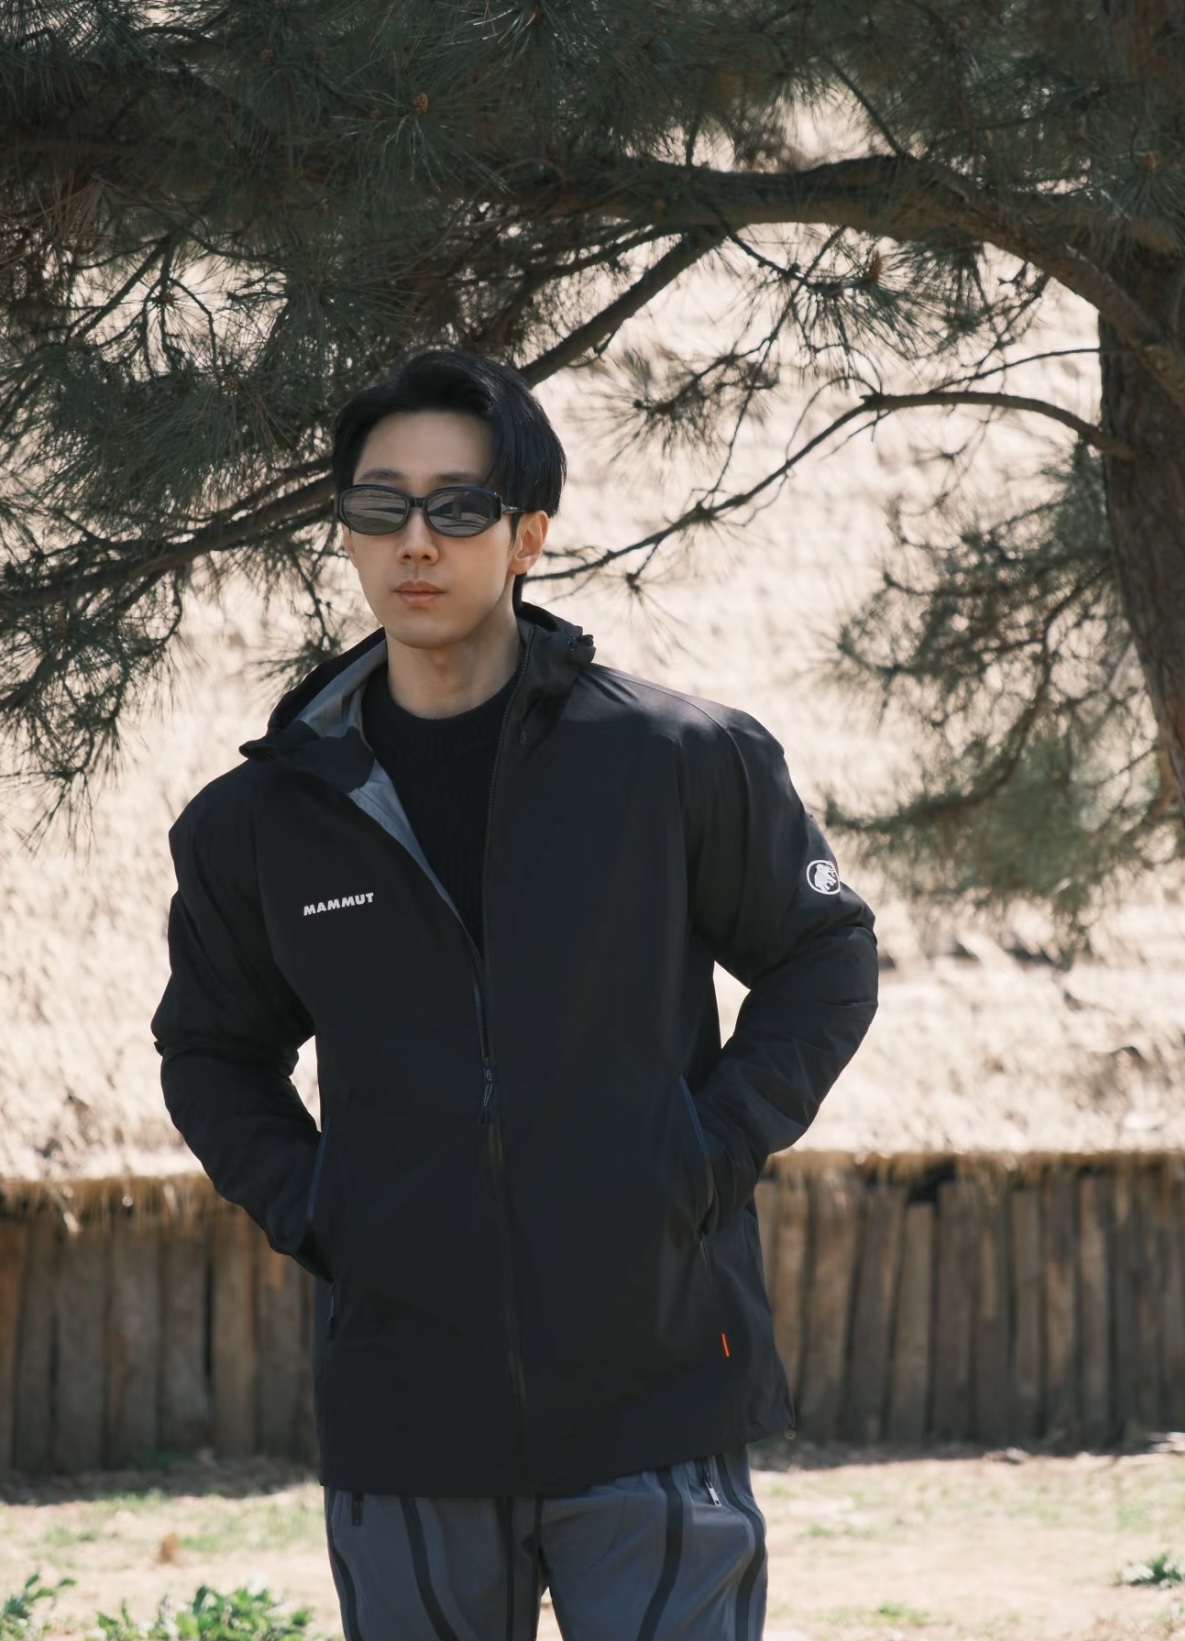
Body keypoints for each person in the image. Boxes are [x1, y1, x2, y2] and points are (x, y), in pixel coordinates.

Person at [152, 350, 880, 1641]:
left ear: (528, 534)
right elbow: (210, 1051)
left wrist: (704, 1154)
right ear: (346, 529)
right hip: (407, 1418)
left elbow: (825, 955)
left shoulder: (675, 759)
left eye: (457, 506)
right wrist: (322, 1205)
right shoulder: (261, 822)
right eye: (380, 506)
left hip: (656, 1393)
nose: (414, 540)